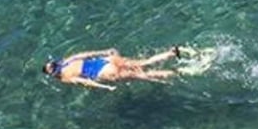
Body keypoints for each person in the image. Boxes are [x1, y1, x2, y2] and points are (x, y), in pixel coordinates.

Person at [42, 46, 182, 90]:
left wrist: (106, 87)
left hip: (104, 72)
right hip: (105, 60)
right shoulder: (67, 60)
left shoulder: (65, 77)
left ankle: (178, 72)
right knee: (143, 63)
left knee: (144, 75)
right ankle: (171, 53)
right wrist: (104, 52)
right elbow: (86, 54)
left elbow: (86, 82)